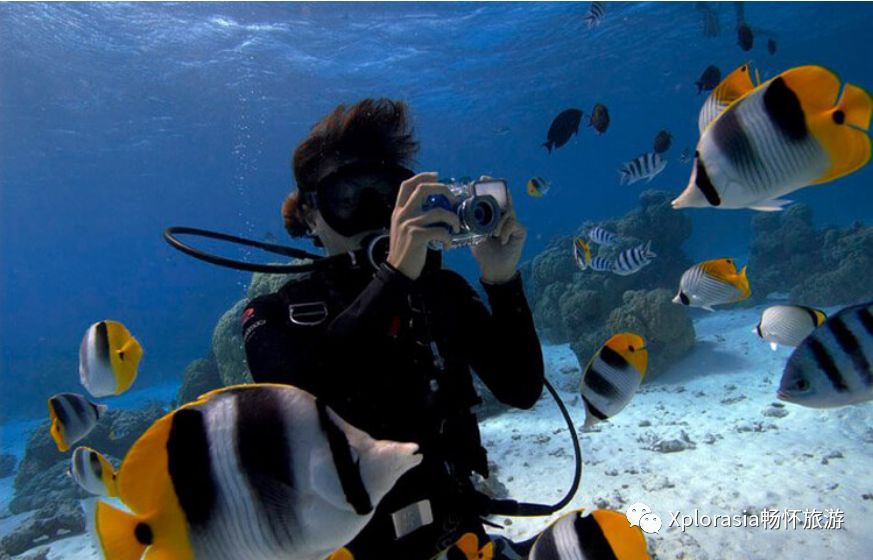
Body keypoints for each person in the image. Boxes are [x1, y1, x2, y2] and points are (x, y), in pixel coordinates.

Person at [241, 98, 544, 559]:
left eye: (384, 194)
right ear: (308, 214)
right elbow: (303, 398)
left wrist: (501, 282)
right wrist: (394, 276)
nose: (369, 213)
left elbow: (521, 388)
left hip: (461, 539)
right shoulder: (275, 314)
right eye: (346, 198)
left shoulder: (437, 290)